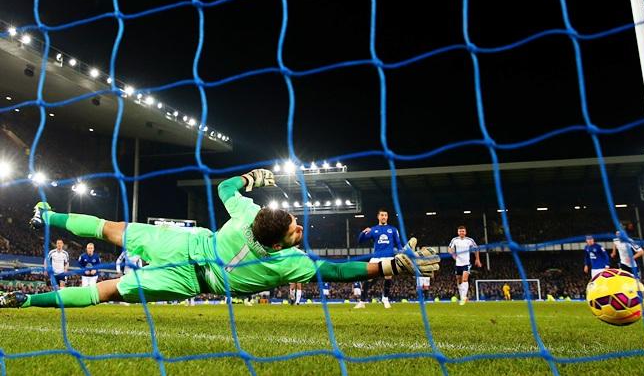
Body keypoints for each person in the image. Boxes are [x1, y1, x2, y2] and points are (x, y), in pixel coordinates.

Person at [0, 169, 439, 309]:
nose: (300, 229)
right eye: (296, 229)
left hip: (183, 247)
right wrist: (390, 265)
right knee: (109, 289)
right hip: (192, 280)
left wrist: (251, 177)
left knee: (110, 231)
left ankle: (50, 215)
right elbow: (340, 271)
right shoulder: (291, 264)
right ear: (283, 242)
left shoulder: (248, 216)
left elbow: (225, 189)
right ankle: (25, 300)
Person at [354, 208, 404, 309]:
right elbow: (360, 241)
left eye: (385, 215)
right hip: (376, 257)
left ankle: (385, 299)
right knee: (368, 279)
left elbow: (398, 243)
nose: (384, 217)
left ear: (387, 217)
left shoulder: (393, 229)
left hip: (389, 256)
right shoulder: (373, 229)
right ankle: (362, 302)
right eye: (382, 215)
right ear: (378, 217)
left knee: (388, 277)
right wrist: (363, 232)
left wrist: (401, 251)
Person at [448, 226, 481, 305]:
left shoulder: (469, 240)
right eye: (460, 231)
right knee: (459, 280)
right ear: (458, 232)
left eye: (463, 231)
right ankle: (462, 296)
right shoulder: (454, 240)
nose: (461, 233)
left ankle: (463, 298)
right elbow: (449, 248)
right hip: (458, 263)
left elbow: (476, 249)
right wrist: (453, 254)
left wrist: (477, 259)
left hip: (467, 263)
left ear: (465, 232)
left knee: (465, 279)